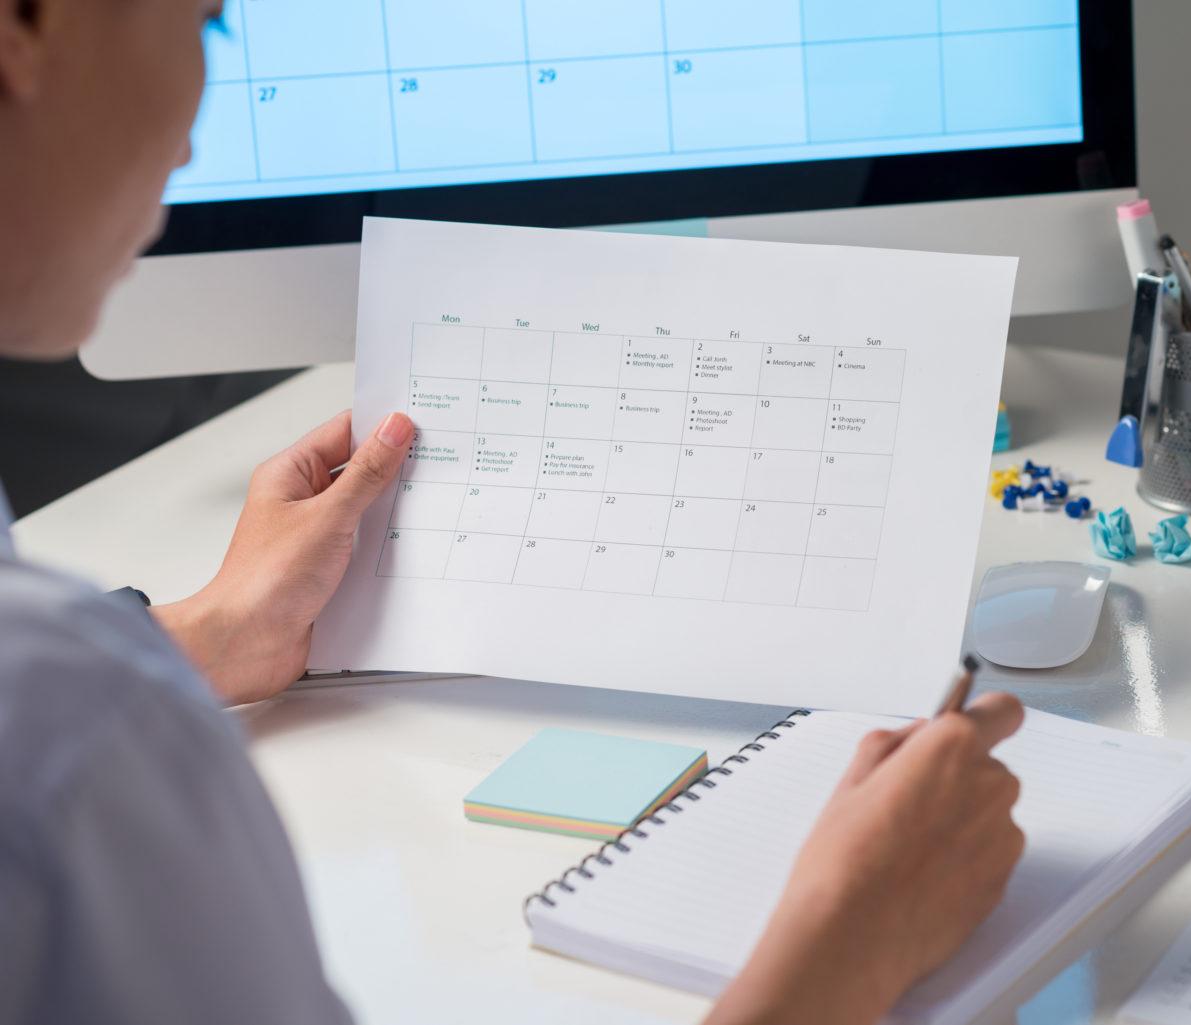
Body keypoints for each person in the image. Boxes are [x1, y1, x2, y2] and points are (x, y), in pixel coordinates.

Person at [0, 2, 1027, 1023]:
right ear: (20, 27)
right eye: (206, 24)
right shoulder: (80, 738)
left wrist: (205, 633)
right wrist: (849, 935)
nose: (191, 134)